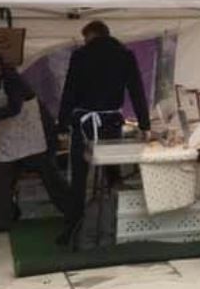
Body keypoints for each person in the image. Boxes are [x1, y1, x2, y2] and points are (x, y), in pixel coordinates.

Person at [0, 51, 72, 234]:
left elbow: (14, 108)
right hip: (11, 136)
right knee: (3, 180)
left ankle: (73, 212)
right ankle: (1, 220)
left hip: (34, 134)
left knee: (51, 177)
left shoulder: (12, 79)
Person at [58, 20, 151, 241]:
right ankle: (113, 222)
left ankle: (74, 226)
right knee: (111, 174)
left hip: (84, 122)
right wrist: (145, 124)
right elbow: (137, 91)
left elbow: (69, 91)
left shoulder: (80, 56)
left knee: (79, 177)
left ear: (91, 35)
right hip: (110, 123)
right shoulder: (124, 55)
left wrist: (62, 124)